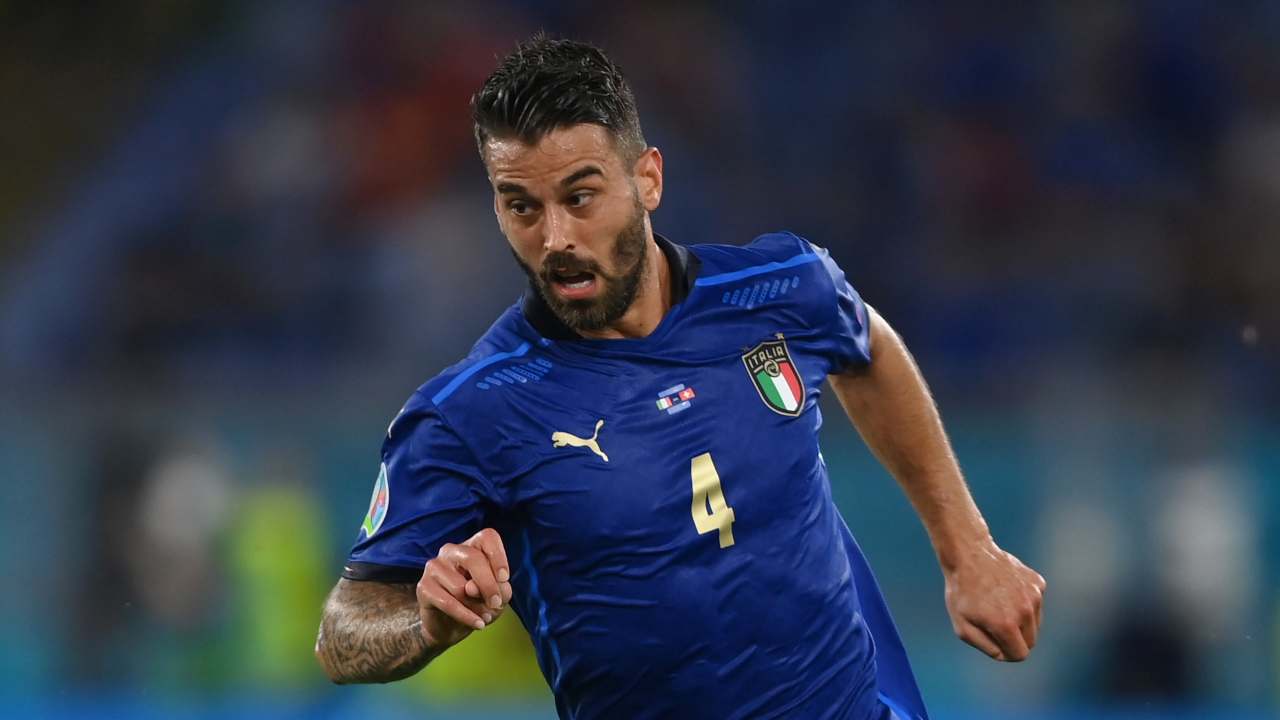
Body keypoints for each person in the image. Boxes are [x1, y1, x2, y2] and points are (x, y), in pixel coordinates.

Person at [314, 35, 1046, 720]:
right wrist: (427, 623)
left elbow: (869, 345)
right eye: (521, 206)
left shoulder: (778, 290)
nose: (556, 238)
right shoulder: (470, 411)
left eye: (580, 196)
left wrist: (967, 548)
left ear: (648, 179)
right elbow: (342, 634)